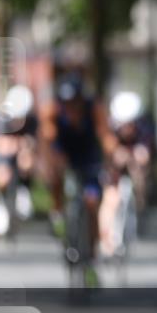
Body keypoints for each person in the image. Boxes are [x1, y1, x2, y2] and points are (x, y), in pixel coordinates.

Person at [39, 74, 114, 286]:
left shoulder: (94, 109)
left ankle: (90, 257)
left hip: (89, 158)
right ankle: (58, 215)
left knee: (91, 202)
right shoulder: (51, 111)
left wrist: (113, 155)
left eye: (75, 103)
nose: (71, 108)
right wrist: (51, 165)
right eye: (67, 103)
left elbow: (105, 136)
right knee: (55, 178)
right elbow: (48, 139)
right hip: (64, 153)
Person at [99, 91, 152, 256]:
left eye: (130, 124)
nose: (127, 128)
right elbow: (106, 150)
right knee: (110, 197)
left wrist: (140, 155)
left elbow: (146, 150)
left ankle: (139, 205)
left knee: (140, 176)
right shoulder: (109, 129)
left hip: (133, 164)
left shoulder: (143, 128)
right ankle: (106, 237)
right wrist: (115, 156)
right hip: (114, 167)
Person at [0, 85, 39, 236]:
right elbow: (0, 145)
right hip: (5, 158)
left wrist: (23, 147)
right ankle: (1, 201)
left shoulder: (32, 120)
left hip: (22, 155)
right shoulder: (2, 120)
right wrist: (20, 144)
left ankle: (24, 190)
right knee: (2, 175)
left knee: (27, 159)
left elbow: (35, 143)